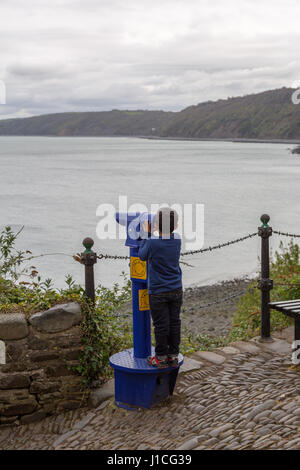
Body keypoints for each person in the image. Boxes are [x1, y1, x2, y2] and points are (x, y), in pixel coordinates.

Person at [138, 207, 182, 368]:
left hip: (158, 291)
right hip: (176, 289)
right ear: (176, 226)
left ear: (156, 224)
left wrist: (146, 233)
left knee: (161, 325)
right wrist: (156, 229)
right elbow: (164, 240)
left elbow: (142, 255)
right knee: (174, 322)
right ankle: (173, 355)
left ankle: (161, 357)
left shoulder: (151, 242)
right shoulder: (177, 239)